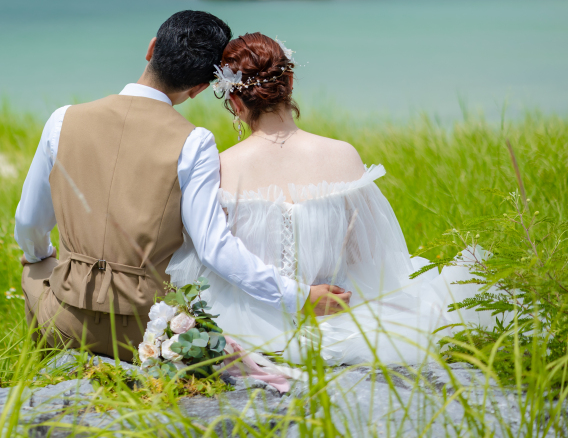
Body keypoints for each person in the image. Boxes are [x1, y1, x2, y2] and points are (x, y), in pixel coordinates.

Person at [14, 12, 348, 362]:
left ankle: (46, 364)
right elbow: (214, 249)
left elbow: (28, 224)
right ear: (200, 88)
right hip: (145, 333)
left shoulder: (62, 119)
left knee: (35, 263)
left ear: (151, 48)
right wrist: (300, 296)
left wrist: (42, 257)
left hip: (66, 317)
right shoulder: (194, 141)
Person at [166, 32, 484, 366]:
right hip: (335, 317)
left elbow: (212, 259)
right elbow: (368, 258)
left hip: (247, 327)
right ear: (288, 83)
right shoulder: (342, 155)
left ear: (235, 102)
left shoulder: (221, 167)